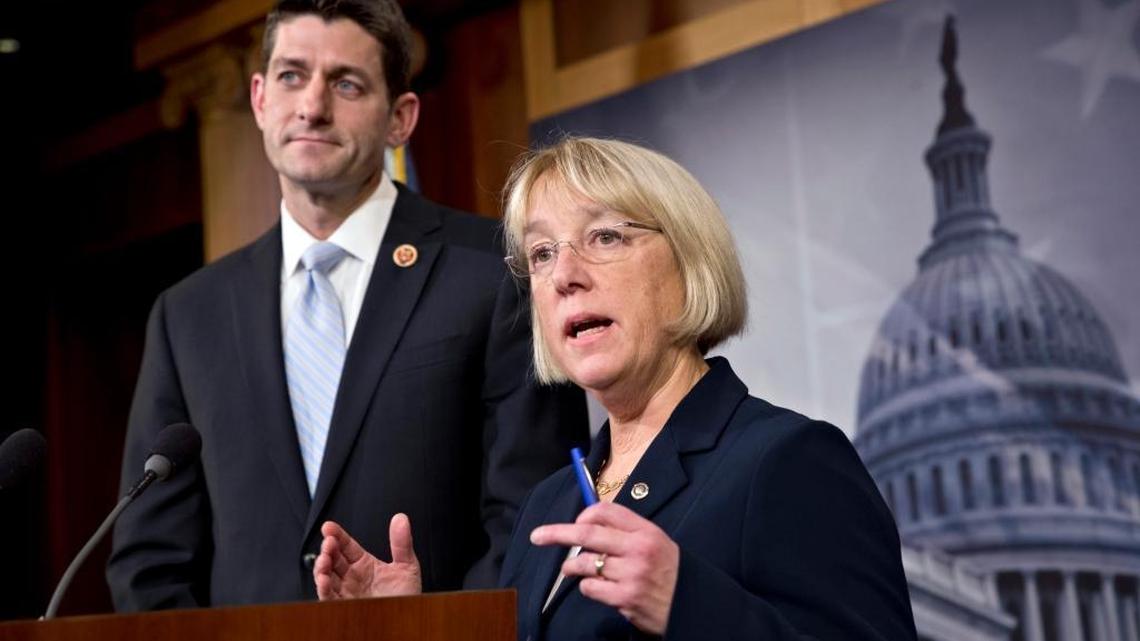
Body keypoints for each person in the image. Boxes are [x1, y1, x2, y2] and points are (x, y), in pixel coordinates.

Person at [312, 137, 918, 640]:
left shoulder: (787, 461)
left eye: (605, 237)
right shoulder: (549, 504)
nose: (565, 277)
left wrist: (686, 604)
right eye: (542, 253)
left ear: (689, 263)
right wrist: (411, 627)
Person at [106, 0, 587, 610]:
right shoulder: (188, 314)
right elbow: (150, 562)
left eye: (346, 83)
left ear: (400, 119)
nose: (311, 106)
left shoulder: (494, 272)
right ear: (258, 98)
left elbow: (531, 517)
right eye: (290, 76)